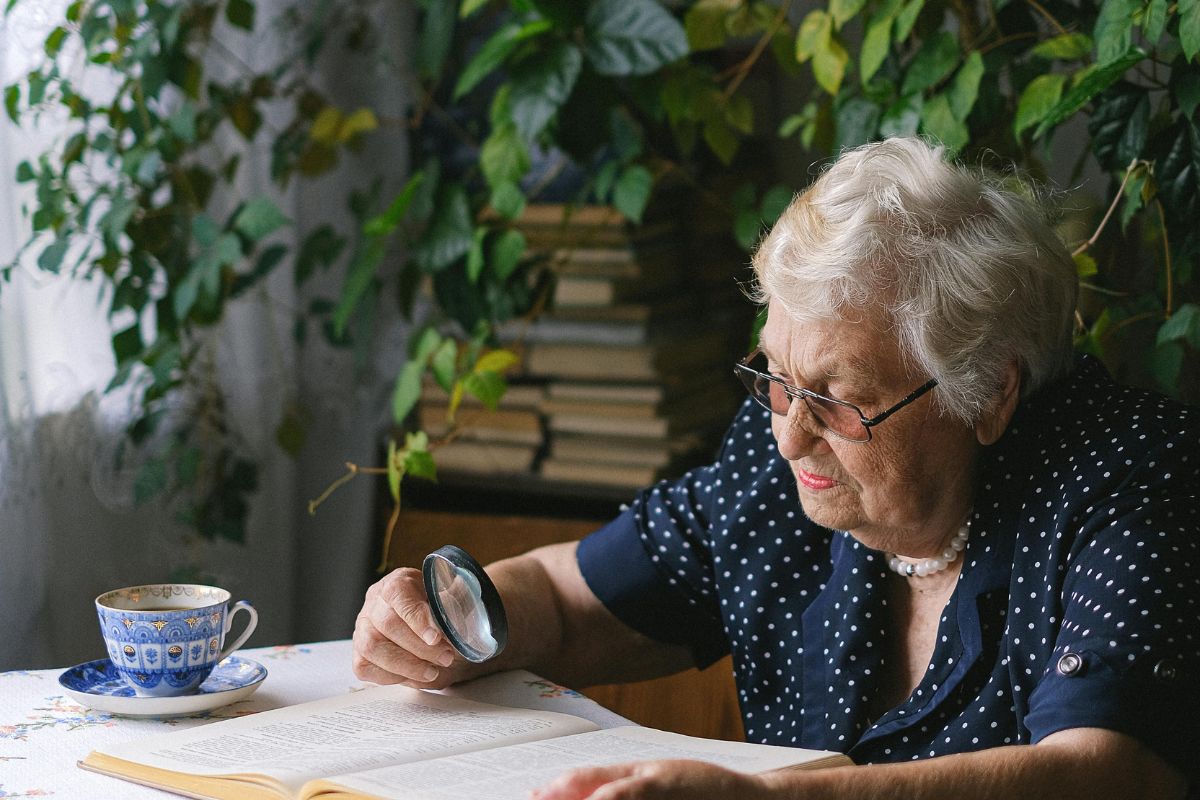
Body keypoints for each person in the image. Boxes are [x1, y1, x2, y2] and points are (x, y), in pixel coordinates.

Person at [352, 137, 1199, 799]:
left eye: (838, 397)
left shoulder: (1130, 476)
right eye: (776, 379)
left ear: (987, 395)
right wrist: (450, 621)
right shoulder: (776, 459)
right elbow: (570, 604)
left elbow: (1107, 776)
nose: (792, 435)